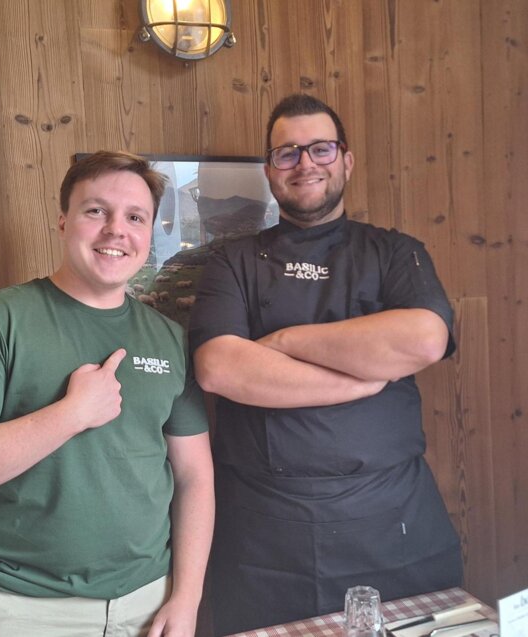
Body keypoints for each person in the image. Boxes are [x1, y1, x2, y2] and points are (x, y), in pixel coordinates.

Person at [189, 94, 462, 635]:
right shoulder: (231, 261)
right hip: (266, 532)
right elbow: (221, 369)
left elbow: (426, 339)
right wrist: (362, 380)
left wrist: (283, 340)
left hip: (391, 521)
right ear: (270, 170)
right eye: (287, 153)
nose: (306, 163)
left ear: (346, 160)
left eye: (321, 148)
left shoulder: (395, 252)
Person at [0, 151, 214, 637]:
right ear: (63, 220)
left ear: (151, 231)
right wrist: (72, 413)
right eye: (96, 211)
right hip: (27, 610)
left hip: (148, 602)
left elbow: (195, 475)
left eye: (135, 217)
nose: (116, 229)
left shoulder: (169, 338)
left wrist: (187, 595)